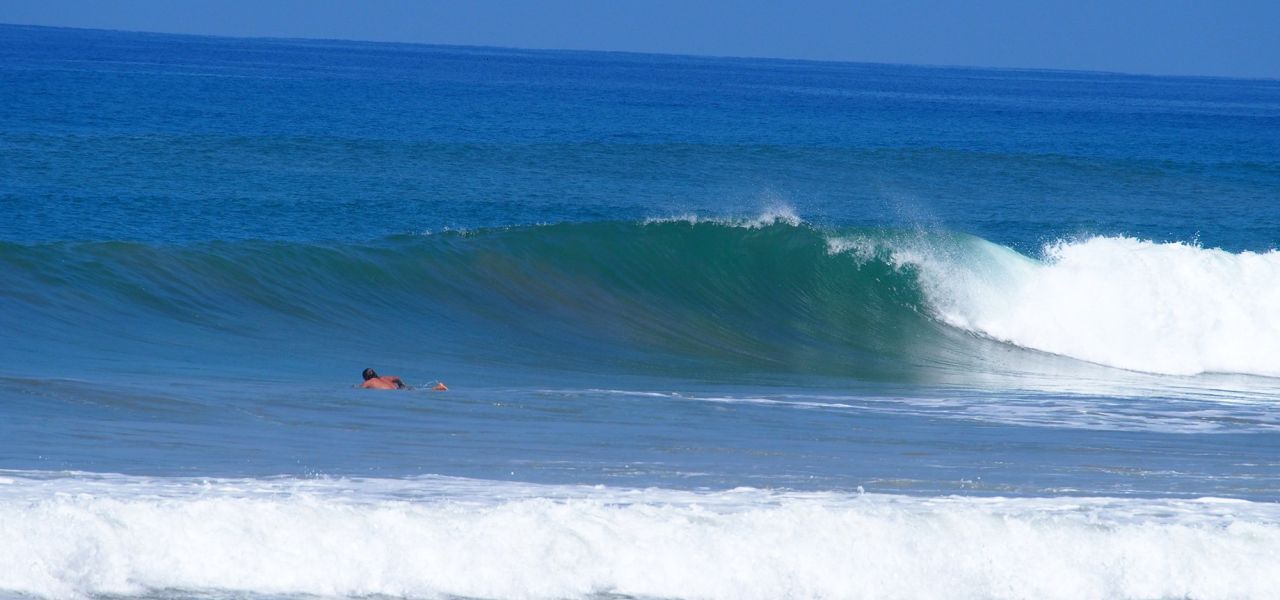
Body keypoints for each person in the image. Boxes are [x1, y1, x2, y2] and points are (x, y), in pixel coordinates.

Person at [360, 368, 447, 391]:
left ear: (366, 378)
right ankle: (438, 387)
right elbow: (397, 378)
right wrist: (402, 386)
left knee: (420, 391)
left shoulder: (369, 382)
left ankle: (437, 388)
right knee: (417, 390)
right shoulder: (384, 378)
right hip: (397, 389)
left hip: (392, 392)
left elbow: (360, 388)